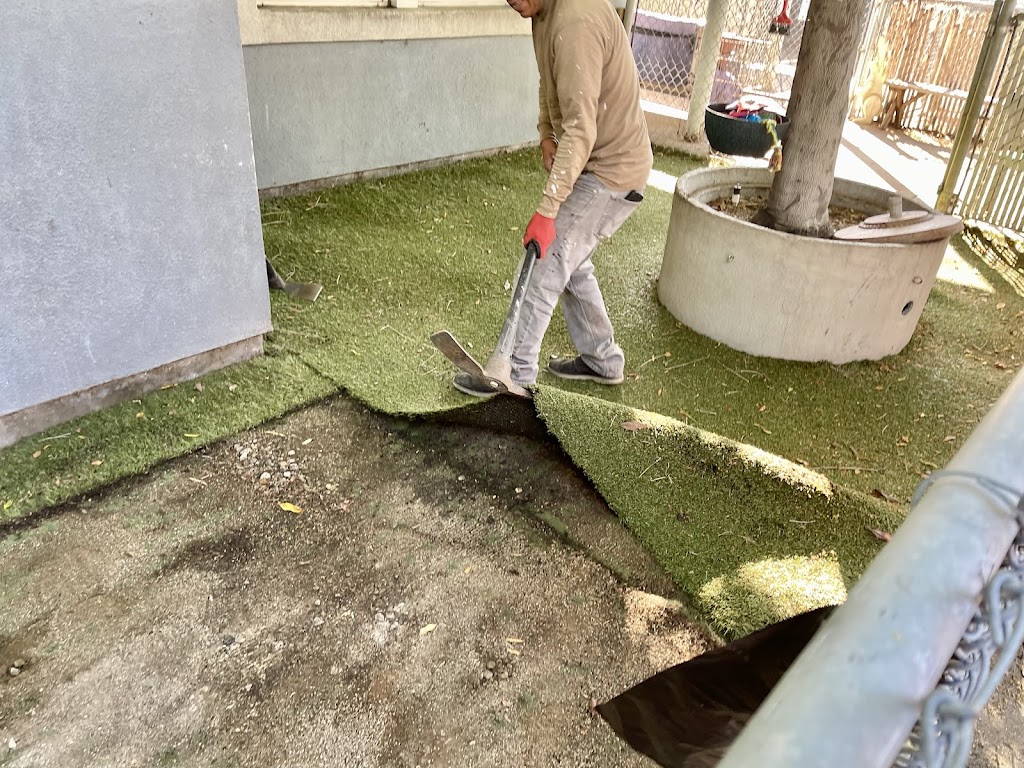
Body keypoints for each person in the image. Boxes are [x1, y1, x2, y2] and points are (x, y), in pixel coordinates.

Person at [454, 0, 653, 398]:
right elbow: (550, 79)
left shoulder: (575, 21)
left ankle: (515, 376)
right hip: (596, 163)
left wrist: (547, 211)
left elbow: (581, 129)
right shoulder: (542, 11)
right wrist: (546, 131)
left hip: (613, 171)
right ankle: (602, 359)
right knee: (570, 261)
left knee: (545, 261)